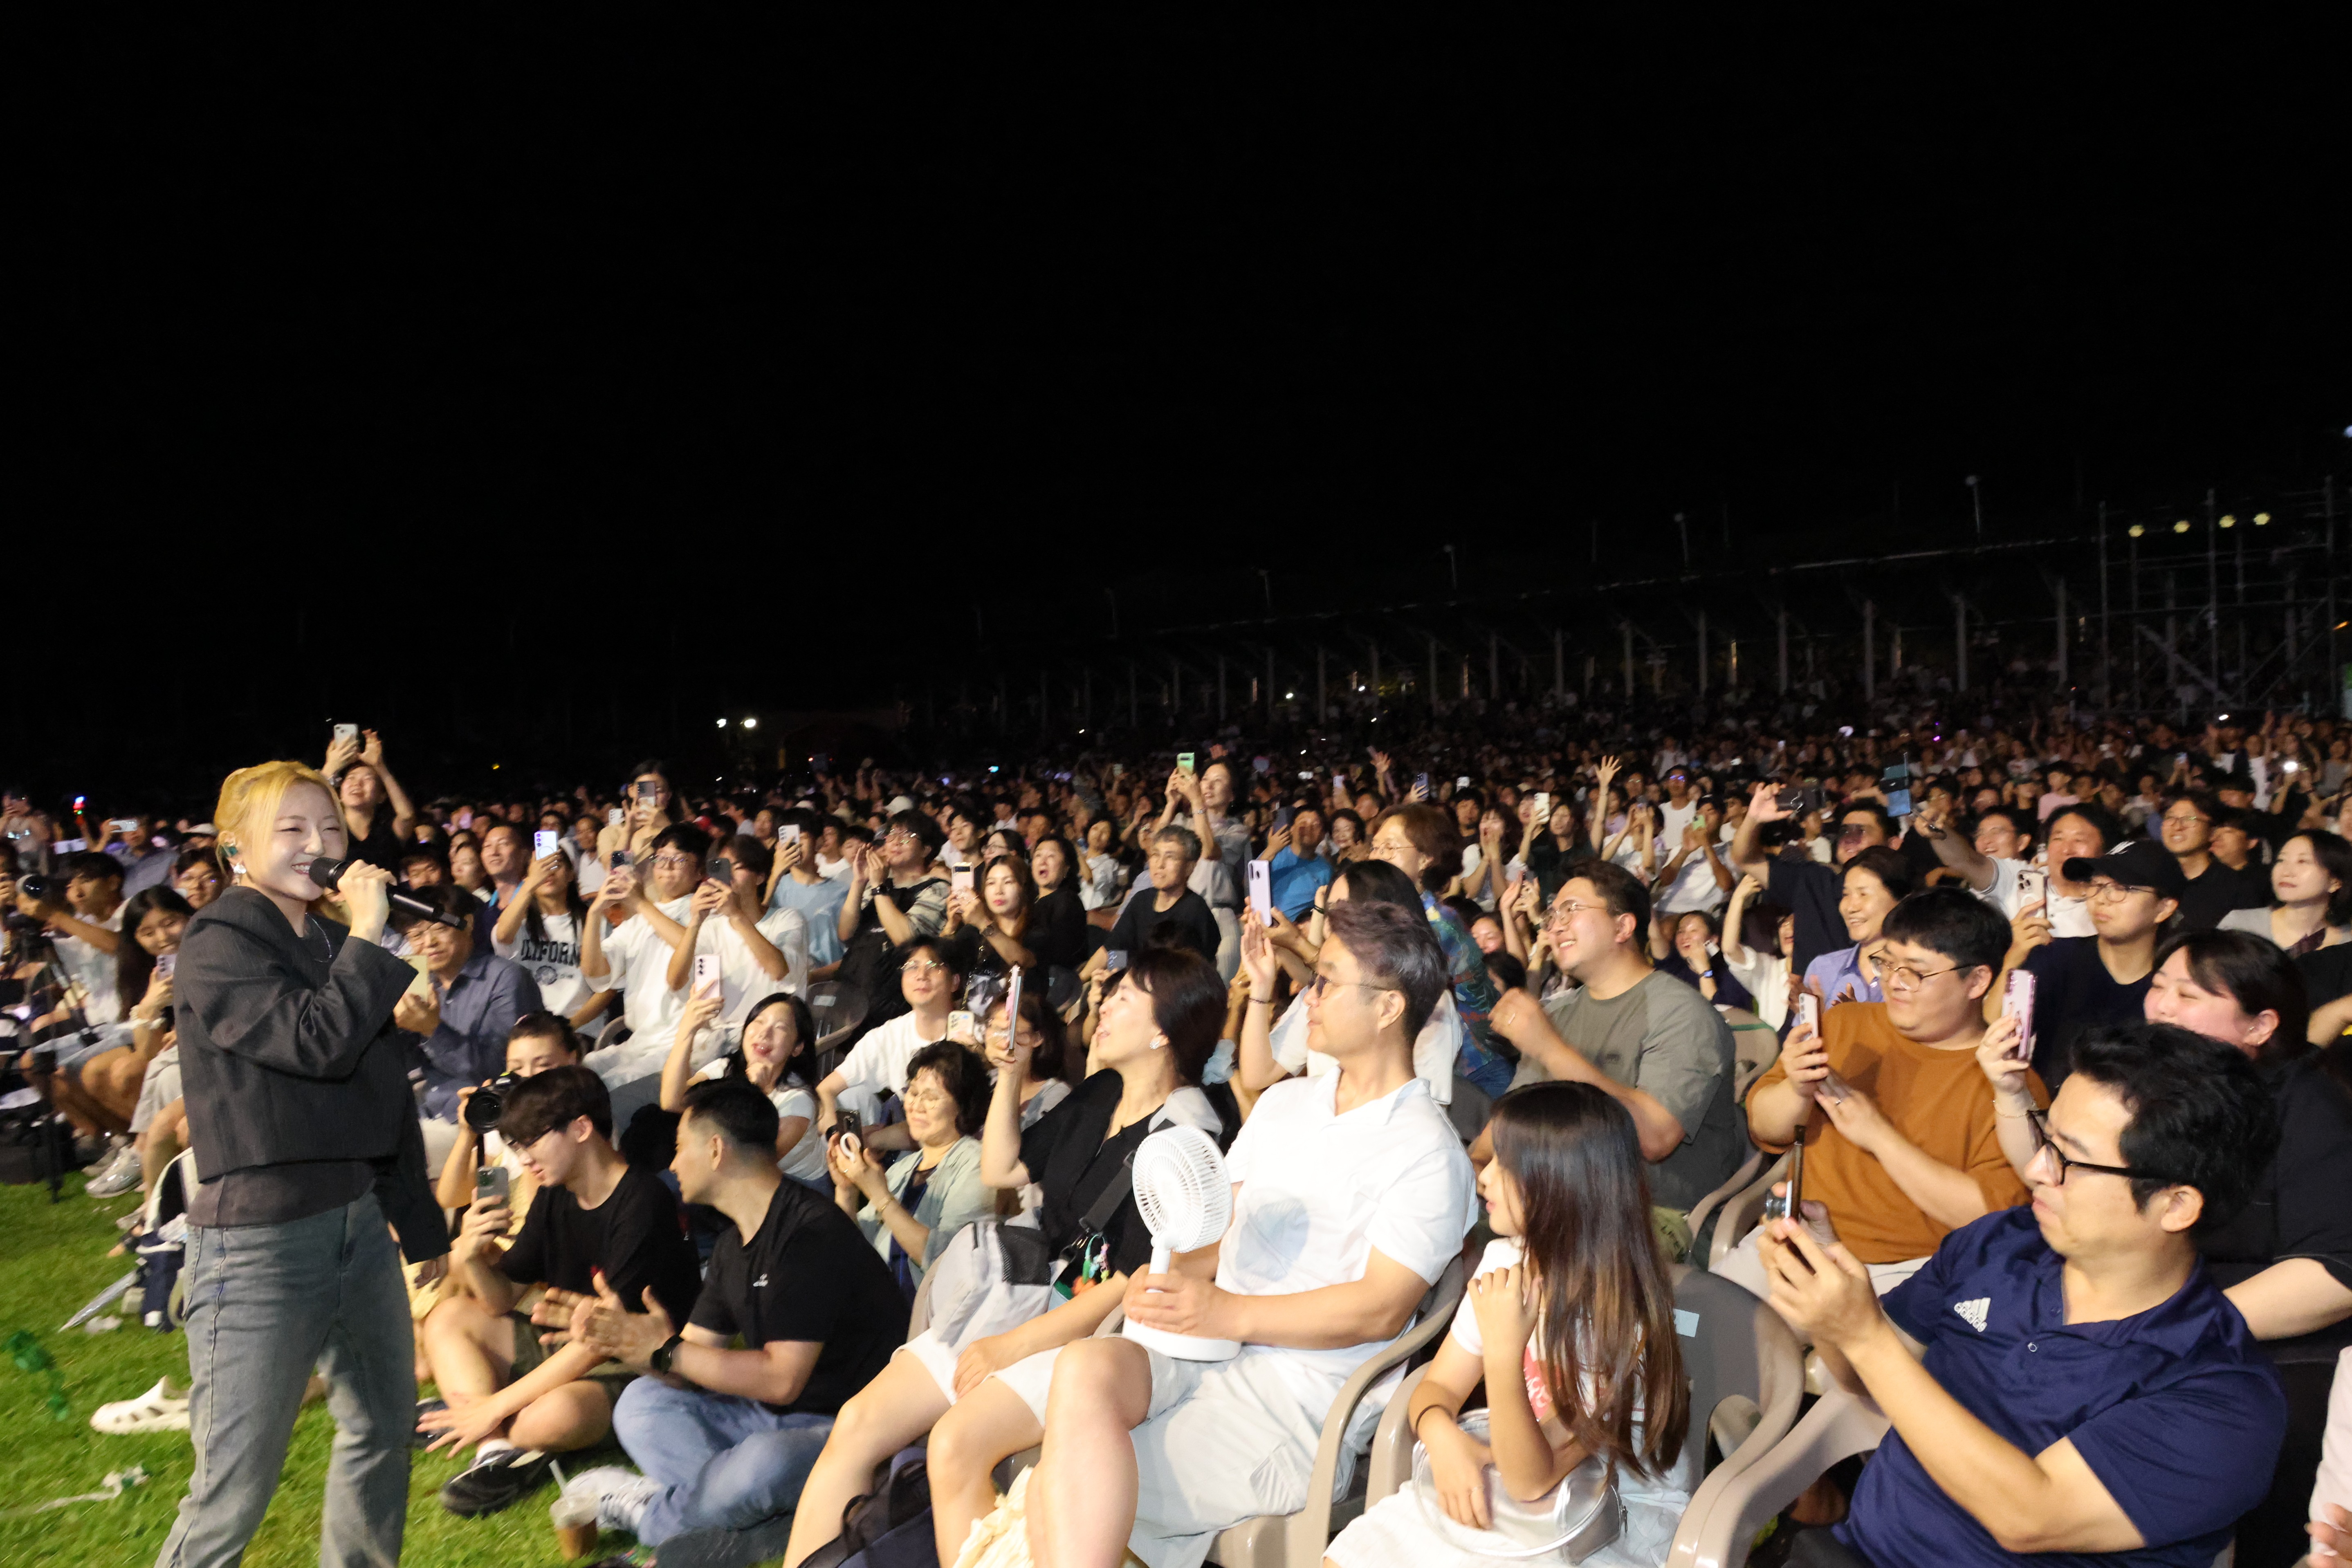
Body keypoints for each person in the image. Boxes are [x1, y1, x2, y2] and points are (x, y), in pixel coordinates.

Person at [1017, 898, 1477, 1568]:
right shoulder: (1288, 1102)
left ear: (1387, 1008)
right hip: (1203, 1353)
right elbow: (1216, 1232)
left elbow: (1381, 1307)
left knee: (1064, 1487)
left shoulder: (1428, 1152)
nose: (1307, 995)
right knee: (1085, 1369)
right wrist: (1172, 1280)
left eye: (1326, 981)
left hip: (1290, 1401)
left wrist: (1228, 1309)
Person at [1761, 1023, 2286, 1568]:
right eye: (2046, 1137)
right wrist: (1823, 1288)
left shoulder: (2222, 1392)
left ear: (2176, 1205)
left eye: (2070, 1158)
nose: (2037, 1170)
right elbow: (1858, 1376)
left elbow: (2029, 1514)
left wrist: (1865, 1336)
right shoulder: (2001, 1243)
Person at [783, 945, 1228, 1568]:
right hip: (1016, 1294)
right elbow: (1000, 1167)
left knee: (953, 1443)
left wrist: (1014, 1345)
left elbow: (1131, 1282)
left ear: (1163, 1030)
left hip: (1083, 1329)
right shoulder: (1099, 1091)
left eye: (1126, 995)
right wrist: (1011, 1076)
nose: (1104, 1001)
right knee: (858, 1420)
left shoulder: (1190, 1135)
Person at [157, 760, 448, 1568]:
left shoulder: (327, 938)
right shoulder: (217, 941)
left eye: (328, 828)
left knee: (383, 1429)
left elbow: (384, 1092)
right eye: (291, 830)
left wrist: (419, 1226)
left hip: (356, 1221)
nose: (319, 845)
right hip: (258, 1245)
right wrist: (366, 933)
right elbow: (314, 1042)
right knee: (235, 1488)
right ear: (235, 851)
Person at [1325, 1082, 1694, 1568]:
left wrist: (1502, 1350)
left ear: (1560, 1181)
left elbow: (1533, 1480)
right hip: (1515, 1476)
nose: (1486, 1178)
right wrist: (1443, 1437)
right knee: (1359, 1550)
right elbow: (1437, 1386)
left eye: (1506, 1163)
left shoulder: (1619, 1318)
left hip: (1611, 1517)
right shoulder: (1504, 1261)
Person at [552, 1077, 909, 1548]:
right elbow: (690, 1366)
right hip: (772, 1420)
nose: (673, 1163)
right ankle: (742, 1517)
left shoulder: (809, 1233)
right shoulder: (731, 1246)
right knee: (642, 1403)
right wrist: (624, 1341)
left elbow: (783, 1379)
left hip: (849, 1428)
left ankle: (658, 1516)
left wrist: (668, 1351)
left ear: (716, 1150)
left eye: (680, 1148)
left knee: (765, 1464)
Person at [2126, 932, 2352, 1562]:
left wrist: (2172, 1328)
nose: (2161, 1006)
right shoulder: (2166, 1085)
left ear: (2260, 1024)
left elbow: (2339, 1268)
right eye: (2158, 986)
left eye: (2188, 994)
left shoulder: (2311, 1106)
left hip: (2275, 1349)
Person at [1722, 887, 2042, 1302]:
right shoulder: (1843, 1023)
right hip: (1794, 1241)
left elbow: (1988, 1215)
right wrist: (1796, 1089)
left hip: (1909, 1272)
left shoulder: (2007, 1079)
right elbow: (1764, 1126)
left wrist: (1876, 1134)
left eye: (1915, 971)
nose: (1894, 983)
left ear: (1977, 980)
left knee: (1813, 1364)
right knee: (1685, 1327)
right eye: (1887, 963)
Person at [418, 1066, 703, 1516]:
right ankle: (493, 1449)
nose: (523, 1158)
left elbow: (604, 1343)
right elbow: (499, 1300)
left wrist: (496, 1403)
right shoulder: (557, 1190)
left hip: (635, 1366)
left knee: (551, 1416)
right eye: (517, 1145)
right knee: (449, 1316)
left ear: (582, 1128)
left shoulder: (642, 1203)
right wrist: (471, 1254)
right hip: (563, 1342)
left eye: (531, 1141)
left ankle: (479, 1412)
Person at [1499, 862, 1744, 1215]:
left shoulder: (1682, 1012)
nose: (1556, 924)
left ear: (1623, 926)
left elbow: (1655, 1137)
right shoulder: (1559, 1014)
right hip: (1562, 1190)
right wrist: (1477, 1163)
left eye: (1572, 909)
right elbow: (1511, 1120)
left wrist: (1549, 1048)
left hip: (1650, 1213)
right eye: (1552, 915)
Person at [1997, 839, 2183, 1088]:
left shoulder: (2180, 983)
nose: (2101, 899)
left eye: (2122, 888)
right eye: (2096, 885)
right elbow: (1995, 1030)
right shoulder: (2058, 957)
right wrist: (2014, 958)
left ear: (2164, 908)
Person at [827, 1039, 995, 1299]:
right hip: (879, 1309)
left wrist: (880, 1195)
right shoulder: (903, 1169)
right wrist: (847, 1190)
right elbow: (852, 1250)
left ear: (963, 1106)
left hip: (927, 1320)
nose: (916, 1105)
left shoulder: (977, 1165)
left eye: (931, 1097)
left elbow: (944, 1259)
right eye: (914, 1092)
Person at [1369, 803, 1512, 1096]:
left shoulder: (1436, 925)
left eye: (1390, 847)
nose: (1377, 856)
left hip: (1473, 1071)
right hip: (1436, 1066)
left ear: (1424, 859)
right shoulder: (1391, 914)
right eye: (1375, 847)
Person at [392, 882, 545, 1123]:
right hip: (431, 1110)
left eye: (440, 928)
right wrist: (397, 1026)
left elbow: (504, 1070)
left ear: (468, 923)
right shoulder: (422, 982)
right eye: (417, 935)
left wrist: (433, 1030)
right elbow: (406, 1062)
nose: (429, 942)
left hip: (489, 1115)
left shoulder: (506, 979)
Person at [663, 989, 828, 1188]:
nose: (764, 1033)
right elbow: (673, 1101)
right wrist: (687, 1030)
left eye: (780, 1027)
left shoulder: (799, 1100)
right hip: (731, 1173)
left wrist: (754, 1091)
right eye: (758, 1021)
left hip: (796, 1186)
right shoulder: (726, 1068)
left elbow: (750, 1161)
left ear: (797, 1047)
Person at [814, 933, 962, 1152]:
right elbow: (825, 1090)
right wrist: (837, 1137)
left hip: (957, 1150)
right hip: (907, 1146)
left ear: (955, 982)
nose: (921, 975)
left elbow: (957, 1124)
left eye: (933, 966)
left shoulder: (971, 1037)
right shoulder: (889, 1035)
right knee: (851, 1097)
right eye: (911, 967)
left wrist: (876, 1140)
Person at [1730, 787, 1896, 972]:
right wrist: (1754, 819)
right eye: (1845, 832)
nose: (1850, 839)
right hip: (1812, 997)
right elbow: (1745, 859)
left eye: (1861, 832)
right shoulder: (1812, 880)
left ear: (1892, 843)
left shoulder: (1902, 890)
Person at [835, 809, 951, 1034]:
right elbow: (845, 933)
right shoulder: (876, 885)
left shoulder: (937, 888)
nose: (895, 842)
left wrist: (879, 887)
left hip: (893, 1008)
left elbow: (907, 941)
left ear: (926, 850)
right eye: (891, 835)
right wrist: (860, 882)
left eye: (907, 836)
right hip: (852, 997)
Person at [491, 834, 600, 1027]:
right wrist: (530, 885)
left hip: (579, 1028)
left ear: (570, 874)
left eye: (555, 865)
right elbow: (502, 936)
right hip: (528, 1029)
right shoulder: (520, 921)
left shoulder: (592, 919)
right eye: (541, 867)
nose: (548, 872)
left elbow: (606, 988)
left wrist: (570, 1027)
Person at [1801, 846, 1914, 1010]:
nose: (1850, 908)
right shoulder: (1822, 969)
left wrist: (1859, 1020)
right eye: (1846, 895)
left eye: (1864, 894)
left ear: (1901, 901)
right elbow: (1804, 1035)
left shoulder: (1920, 970)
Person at [1095, 825, 1220, 966]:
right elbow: (1115, 948)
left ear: (1189, 868)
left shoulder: (1196, 910)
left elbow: (1200, 969)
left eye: (1170, 857)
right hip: (1132, 979)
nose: (1160, 864)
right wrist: (1113, 975)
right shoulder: (1142, 900)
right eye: (1156, 855)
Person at [2220, 828, 2352, 954]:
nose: (2286, 871)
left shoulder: (2346, 944)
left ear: (2335, 882)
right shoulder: (2240, 927)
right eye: (2281, 860)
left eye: (2303, 861)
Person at [2159, 789, 2271, 930]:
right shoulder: (2150, 880)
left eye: (2190, 819)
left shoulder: (2236, 888)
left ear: (2212, 832)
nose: (2177, 826)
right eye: (2170, 818)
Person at [765, 812, 850, 969]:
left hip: (824, 985)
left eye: (801, 838)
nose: (793, 845)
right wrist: (776, 874)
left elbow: (851, 951)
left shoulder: (842, 892)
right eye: (786, 839)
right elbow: (758, 925)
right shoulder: (771, 889)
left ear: (818, 842)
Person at [325, 728, 416, 873]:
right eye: (351, 778)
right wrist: (330, 768)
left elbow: (407, 816)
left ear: (382, 796)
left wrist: (380, 766)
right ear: (340, 794)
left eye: (367, 779)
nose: (357, 784)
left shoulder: (386, 832)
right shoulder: (329, 830)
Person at [945, 850, 1042, 983]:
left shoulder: (1037, 930)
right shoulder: (973, 932)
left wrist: (982, 922)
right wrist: (951, 927)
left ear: (1023, 888)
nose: (998, 891)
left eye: (1008, 882)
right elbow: (940, 963)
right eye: (991, 884)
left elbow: (1022, 962)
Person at [1025, 834, 1091, 971]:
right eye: (1038, 855)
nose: (1043, 861)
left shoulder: (1067, 901)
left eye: (1051, 856)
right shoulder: (1028, 900)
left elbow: (1058, 953)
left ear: (1067, 868)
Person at [1263, 806, 1335, 920]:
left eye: (1316, 825)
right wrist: (1270, 851)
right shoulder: (1273, 855)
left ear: (1322, 836)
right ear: (1291, 829)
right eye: (1303, 823)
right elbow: (1251, 886)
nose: (1309, 828)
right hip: (1265, 925)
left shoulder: (1326, 870)